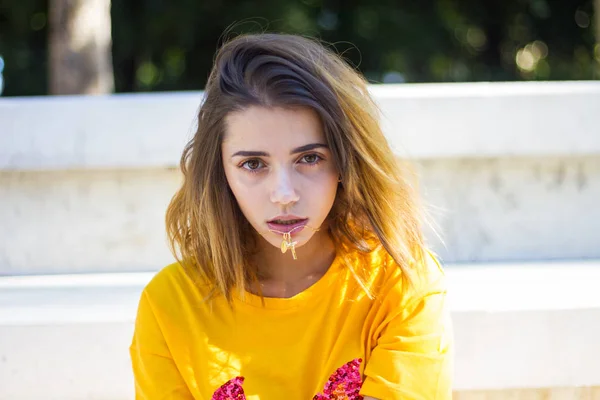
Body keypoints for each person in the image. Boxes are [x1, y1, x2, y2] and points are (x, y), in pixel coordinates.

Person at [129, 33, 453, 400]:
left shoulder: (402, 284)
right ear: (220, 171)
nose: (284, 194)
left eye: (310, 158)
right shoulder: (171, 304)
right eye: (253, 164)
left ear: (346, 161)